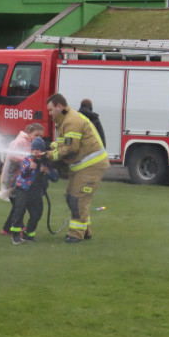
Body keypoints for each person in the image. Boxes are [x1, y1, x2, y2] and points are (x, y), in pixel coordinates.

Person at [45, 93, 109, 243]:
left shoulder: (71, 121)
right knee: (71, 197)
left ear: (59, 106)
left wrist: (50, 156)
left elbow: (71, 148)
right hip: (81, 166)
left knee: (79, 199)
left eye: (50, 110)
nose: (49, 113)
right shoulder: (63, 121)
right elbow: (62, 144)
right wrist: (49, 149)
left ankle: (76, 234)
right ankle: (85, 230)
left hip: (91, 166)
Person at [9, 137, 59, 244]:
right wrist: (29, 168)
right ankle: (16, 235)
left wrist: (47, 171)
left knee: (37, 213)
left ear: (43, 151)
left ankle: (29, 234)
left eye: (38, 149)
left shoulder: (46, 163)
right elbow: (23, 172)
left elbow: (55, 178)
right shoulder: (27, 160)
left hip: (36, 192)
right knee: (19, 211)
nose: (35, 151)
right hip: (23, 189)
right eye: (33, 149)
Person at [0, 123, 45, 235]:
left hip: (19, 180)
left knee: (17, 204)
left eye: (41, 136)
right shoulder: (20, 141)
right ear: (29, 133)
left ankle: (6, 229)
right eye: (36, 135)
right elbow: (12, 155)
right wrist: (27, 159)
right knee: (19, 204)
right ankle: (19, 227)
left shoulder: (31, 144)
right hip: (11, 179)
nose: (39, 138)